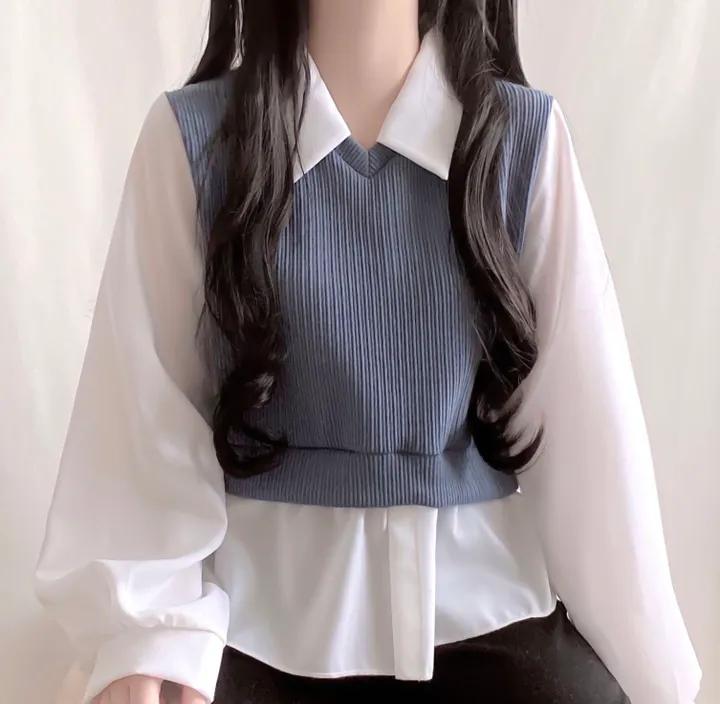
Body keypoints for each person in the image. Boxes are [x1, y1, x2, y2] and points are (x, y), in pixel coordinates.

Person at [36, 1, 701, 702]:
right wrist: (145, 634)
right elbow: (145, 419)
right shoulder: (196, 143)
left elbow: (592, 447)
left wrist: (658, 679)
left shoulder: (521, 143)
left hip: (495, 633)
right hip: (256, 637)